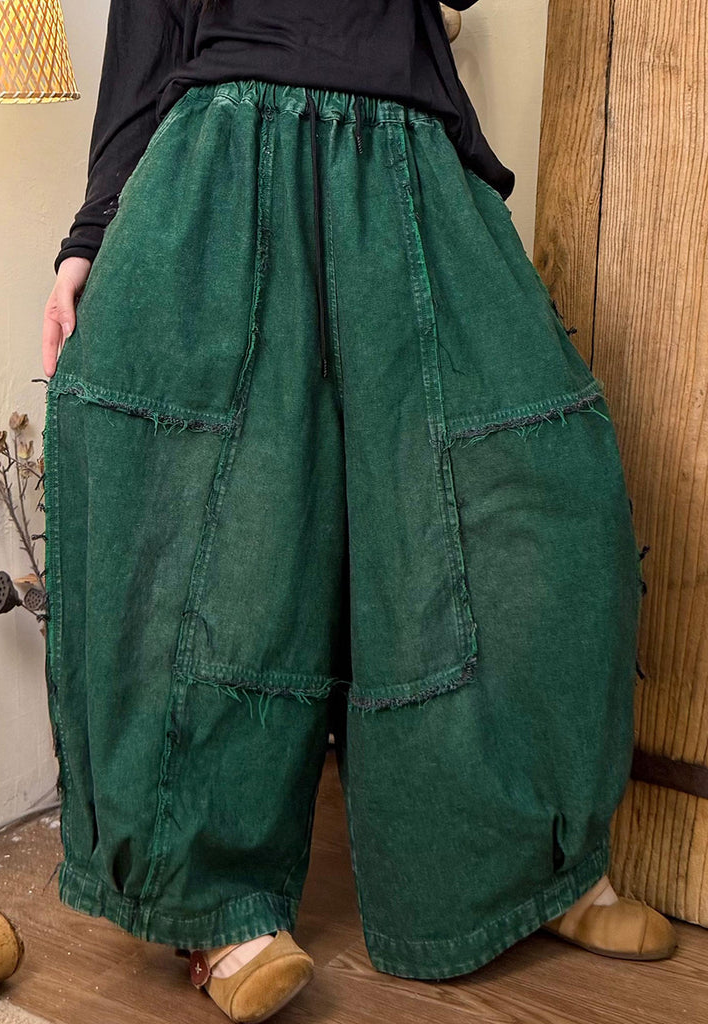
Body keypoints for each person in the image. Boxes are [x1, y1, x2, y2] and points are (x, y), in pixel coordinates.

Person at [40, 2, 676, 1021]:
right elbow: (146, 25)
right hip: (221, 160)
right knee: (228, 537)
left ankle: (521, 864)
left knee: (506, 499)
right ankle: (215, 904)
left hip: (412, 160)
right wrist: (88, 238)